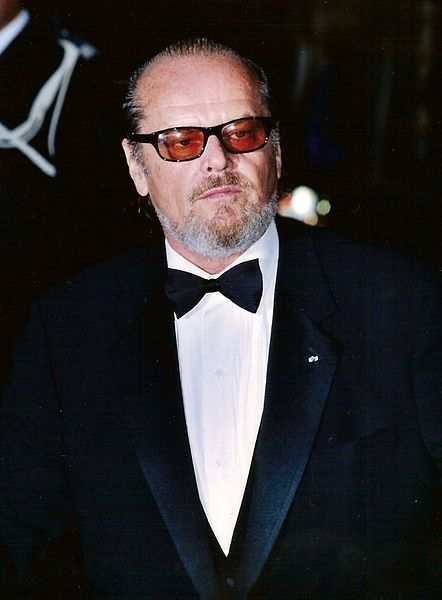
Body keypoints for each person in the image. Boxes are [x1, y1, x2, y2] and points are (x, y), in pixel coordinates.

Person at [1, 38, 441, 599]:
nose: (218, 160)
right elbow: (24, 549)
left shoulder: (403, 304)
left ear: (275, 152)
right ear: (137, 167)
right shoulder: (67, 328)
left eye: (241, 133)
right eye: (180, 141)